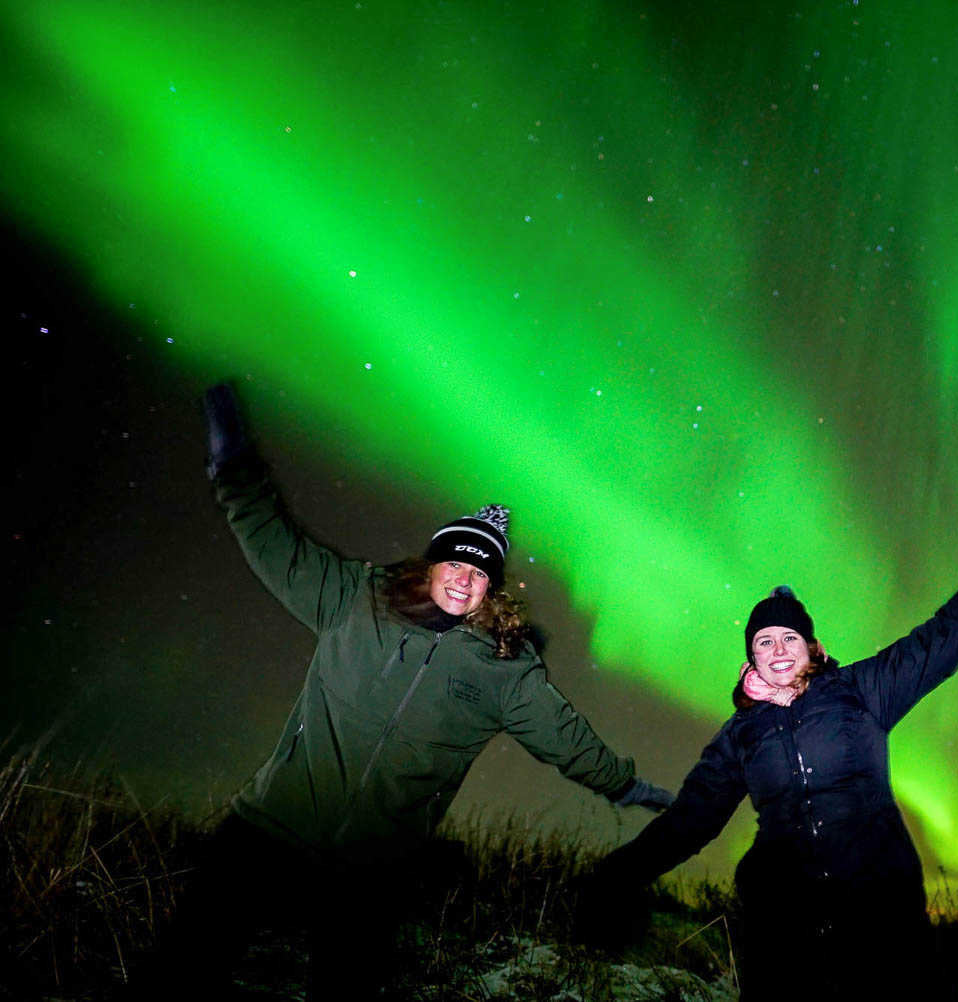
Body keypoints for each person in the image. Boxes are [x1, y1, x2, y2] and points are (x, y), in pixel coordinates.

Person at [143, 382, 673, 997]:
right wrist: (233, 465)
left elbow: (568, 740)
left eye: (479, 572)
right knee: (179, 971)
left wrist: (624, 784)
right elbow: (273, 542)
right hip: (270, 829)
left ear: (490, 589)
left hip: (370, 869)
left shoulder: (507, 670)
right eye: (455, 563)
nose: (464, 578)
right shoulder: (354, 599)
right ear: (431, 566)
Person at [585, 515, 958, 1001]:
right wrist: (620, 874)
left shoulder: (862, 691)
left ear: (813, 648)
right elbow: (692, 818)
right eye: (764, 641)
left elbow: (940, 641)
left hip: (880, 914)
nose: (778, 649)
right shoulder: (739, 734)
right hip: (784, 927)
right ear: (750, 658)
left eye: (789, 638)